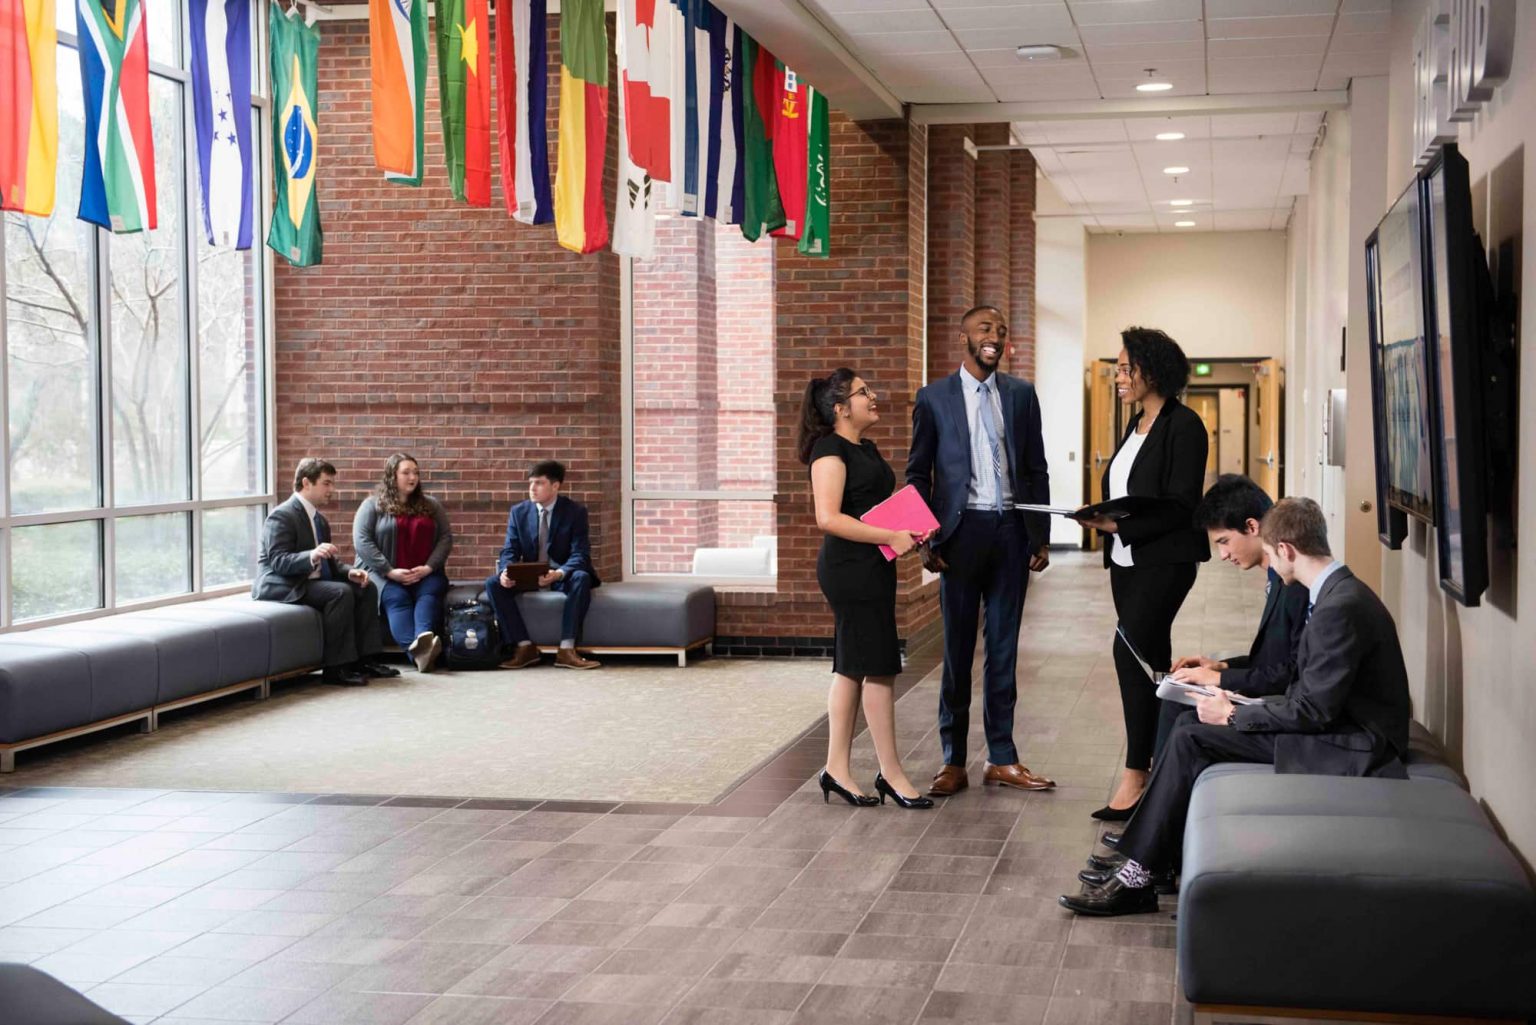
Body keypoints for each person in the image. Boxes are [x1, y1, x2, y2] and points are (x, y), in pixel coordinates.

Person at [1059, 497, 1413, 917]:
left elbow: (1313, 712)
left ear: (1286, 550)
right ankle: (1147, 862)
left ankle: (1140, 874)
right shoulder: (1338, 593)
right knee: (1191, 722)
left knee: (1194, 735)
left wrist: (1232, 714)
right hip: (1340, 725)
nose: (1267, 562)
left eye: (1268, 551)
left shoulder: (1338, 607)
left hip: (1355, 744)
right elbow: (1309, 689)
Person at [906, 304, 1055, 798]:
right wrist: (924, 536)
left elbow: (1035, 467)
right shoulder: (933, 399)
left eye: (1001, 330)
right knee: (956, 651)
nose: (995, 336)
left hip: (1011, 530)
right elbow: (917, 475)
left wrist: (1039, 532)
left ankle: (1002, 757)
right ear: (963, 335)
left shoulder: (1020, 395)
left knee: (1004, 650)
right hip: (959, 534)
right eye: (985, 328)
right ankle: (953, 760)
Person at [1076, 326, 1209, 821]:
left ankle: (1136, 774)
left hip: (1166, 561)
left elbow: (1180, 504)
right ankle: (1159, 770)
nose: (1117, 376)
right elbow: (1132, 491)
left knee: (1128, 653)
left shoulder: (1185, 425)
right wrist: (1102, 519)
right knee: (1149, 659)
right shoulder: (1135, 425)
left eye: (1125, 367)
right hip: (1127, 560)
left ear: (1152, 370)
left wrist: (1117, 523)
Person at [800, 368, 932, 810]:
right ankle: (891, 773)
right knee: (877, 665)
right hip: (849, 568)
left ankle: (836, 768)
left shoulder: (864, 448)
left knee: (853, 665)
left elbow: (871, 509)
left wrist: (908, 529)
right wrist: (889, 537)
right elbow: (829, 518)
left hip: (873, 566)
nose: (873, 396)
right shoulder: (828, 449)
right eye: (863, 392)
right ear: (840, 408)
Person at [254, 458, 394, 686]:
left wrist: (350, 572)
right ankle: (336, 668)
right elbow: (278, 561)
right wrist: (311, 555)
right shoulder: (282, 516)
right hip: (282, 584)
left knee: (365, 587)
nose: (332, 490)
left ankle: (365, 660)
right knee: (339, 593)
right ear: (307, 483)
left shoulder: (319, 519)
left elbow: (328, 559)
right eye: (327, 484)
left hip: (311, 581)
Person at [1168, 474, 1309, 699]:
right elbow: (1271, 659)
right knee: (1178, 695)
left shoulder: (1296, 582)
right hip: (1270, 688)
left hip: (1282, 703)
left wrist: (1221, 680)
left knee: (1182, 709)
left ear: (1252, 526)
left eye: (1224, 542)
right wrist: (1221, 667)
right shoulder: (1276, 576)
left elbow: (1295, 671)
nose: (1223, 555)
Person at [486, 460, 601, 670]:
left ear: (555, 486)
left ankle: (567, 649)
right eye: (530, 483)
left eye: (539, 483)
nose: (532, 488)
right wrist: (505, 571)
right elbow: (509, 550)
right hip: (530, 574)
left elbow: (580, 554)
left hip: (560, 575)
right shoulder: (518, 512)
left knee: (581, 577)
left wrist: (559, 573)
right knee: (494, 584)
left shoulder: (574, 512)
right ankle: (524, 647)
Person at [353, 453, 455, 673]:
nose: (413, 477)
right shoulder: (372, 505)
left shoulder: (431, 505)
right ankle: (419, 653)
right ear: (392, 476)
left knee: (428, 595)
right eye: (406, 472)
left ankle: (422, 649)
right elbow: (362, 541)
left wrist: (428, 568)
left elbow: (446, 538)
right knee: (397, 599)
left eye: (416, 472)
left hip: (425, 573)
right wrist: (389, 571)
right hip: (383, 574)